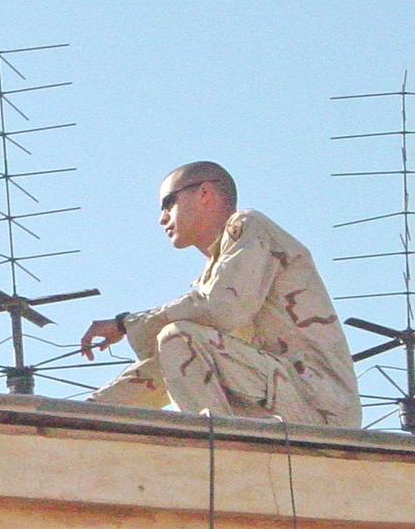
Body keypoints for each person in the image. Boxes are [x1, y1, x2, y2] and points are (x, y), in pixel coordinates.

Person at [80, 161, 361, 428]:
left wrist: (125, 324)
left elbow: (220, 308)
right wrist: (88, 413)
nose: (162, 217)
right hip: (287, 397)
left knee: (178, 336)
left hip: (317, 403)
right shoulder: (221, 268)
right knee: (178, 343)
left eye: (169, 202)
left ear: (204, 193)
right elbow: (173, 364)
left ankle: (218, 448)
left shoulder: (250, 226)